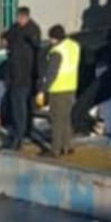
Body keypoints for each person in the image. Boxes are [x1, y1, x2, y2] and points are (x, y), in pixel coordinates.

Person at [38, 25, 80, 156]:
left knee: (56, 119)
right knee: (66, 118)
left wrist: (43, 90)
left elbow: (52, 73)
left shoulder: (57, 51)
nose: (50, 41)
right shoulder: (74, 46)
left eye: (51, 38)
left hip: (58, 88)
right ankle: (68, 146)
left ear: (55, 38)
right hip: (71, 86)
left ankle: (55, 149)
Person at [2, 7, 40, 149]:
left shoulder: (32, 30)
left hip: (26, 75)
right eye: (18, 18)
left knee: (22, 107)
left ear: (26, 17)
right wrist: (4, 38)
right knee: (16, 106)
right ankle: (20, 131)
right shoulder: (15, 28)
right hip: (14, 74)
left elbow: (36, 47)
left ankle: (20, 135)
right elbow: (8, 37)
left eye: (21, 18)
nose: (19, 20)